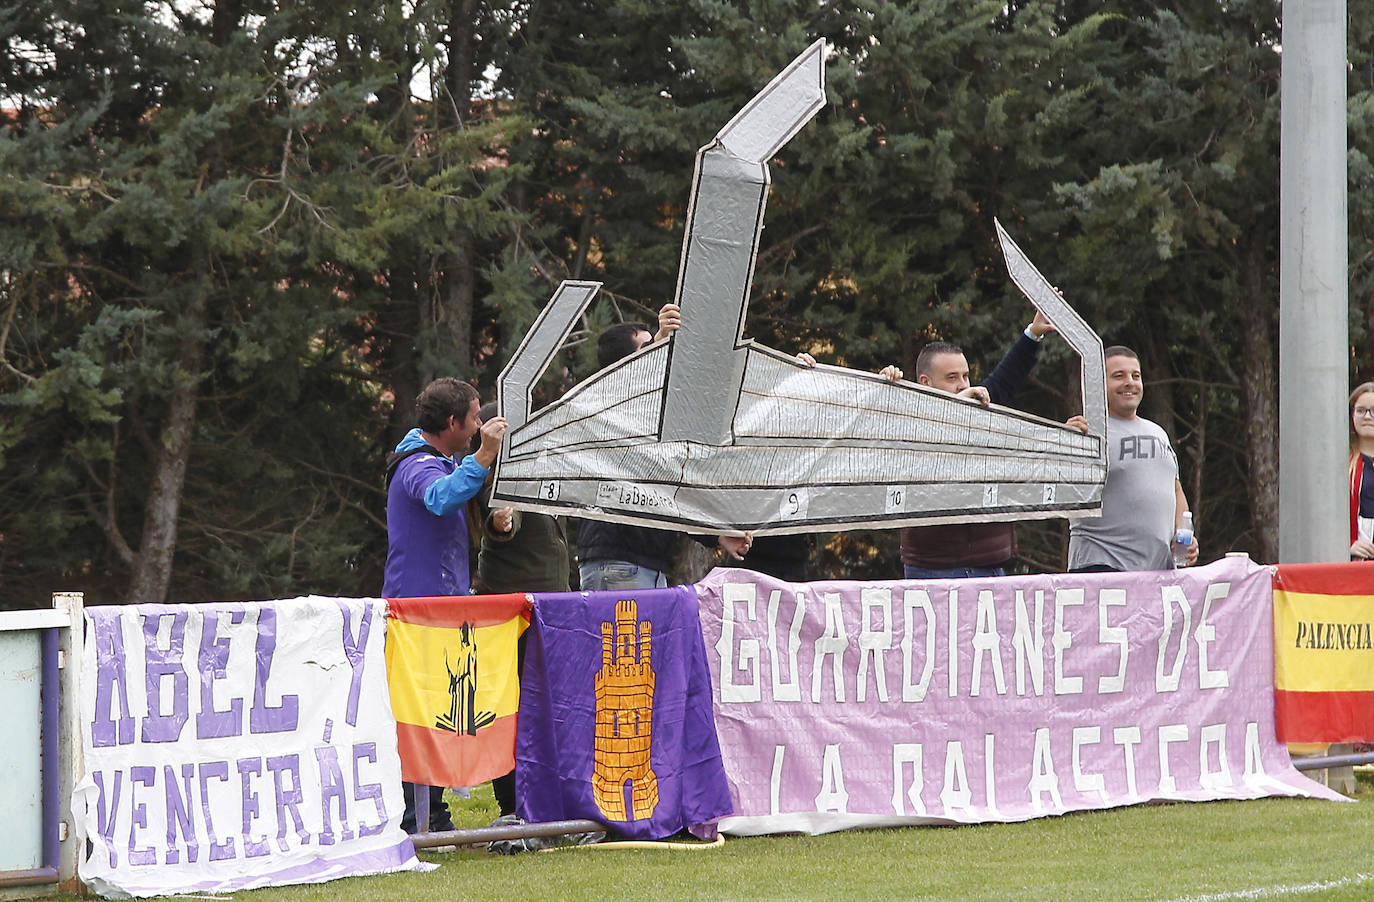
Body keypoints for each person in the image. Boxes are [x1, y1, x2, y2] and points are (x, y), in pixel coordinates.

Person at [383, 377, 507, 833]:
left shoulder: (439, 459)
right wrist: (483, 457)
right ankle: (420, 817)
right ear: (452, 422)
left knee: (436, 715)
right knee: (420, 719)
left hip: (440, 610)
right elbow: (440, 498)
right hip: (417, 613)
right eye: (475, 418)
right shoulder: (417, 466)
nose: (479, 426)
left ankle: (432, 815)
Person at [881, 313, 1088, 579]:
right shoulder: (907, 420)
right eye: (952, 378)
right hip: (933, 568)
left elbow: (1005, 380)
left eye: (966, 376)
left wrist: (1033, 334)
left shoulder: (981, 409)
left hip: (989, 565)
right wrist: (884, 387)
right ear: (925, 383)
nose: (964, 385)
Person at [577, 304, 750, 588]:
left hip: (644, 564)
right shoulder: (610, 403)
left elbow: (670, 491)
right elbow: (627, 384)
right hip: (619, 564)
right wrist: (659, 340)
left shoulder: (653, 416)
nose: (661, 354)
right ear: (623, 364)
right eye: (646, 349)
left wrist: (716, 535)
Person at [468, 401, 569, 817]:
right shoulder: (496, 474)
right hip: (514, 613)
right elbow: (499, 523)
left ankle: (542, 802)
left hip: (549, 607)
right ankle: (512, 806)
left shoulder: (534, 470)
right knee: (512, 710)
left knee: (543, 710)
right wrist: (499, 525)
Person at [1067, 346, 1197, 572]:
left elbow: (1175, 490)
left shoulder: (1158, 432)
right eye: (1119, 376)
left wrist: (1183, 534)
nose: (1130, 382)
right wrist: (1065, 446)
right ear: (1098, 384)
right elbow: (1063, 490)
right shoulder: (1087, 432)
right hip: (1101, 567)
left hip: (1157, 573)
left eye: (1135, 376)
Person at [1349, 381, 1374, 560]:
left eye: (1373, 411)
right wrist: (1348, 543)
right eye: (1361, 410)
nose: (1367, 416)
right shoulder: (1339, 466)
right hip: (1357, 564)